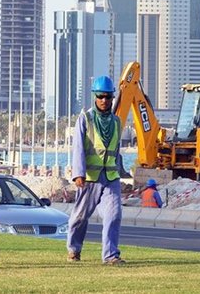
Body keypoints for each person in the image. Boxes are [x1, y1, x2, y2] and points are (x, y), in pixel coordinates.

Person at [67, 75, 125, 265]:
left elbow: (116, 150)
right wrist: (78, 174)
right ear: (94, 96)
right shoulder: (85, 119)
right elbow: (78, 148)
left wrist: (120, 172)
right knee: (80, 217)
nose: (104, 100)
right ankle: (74, 250)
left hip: (110, 177)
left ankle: (110, 255)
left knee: (114, 214)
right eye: (101, 96)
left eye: (108, 97)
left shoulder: (116, 122)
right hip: (89, 178)